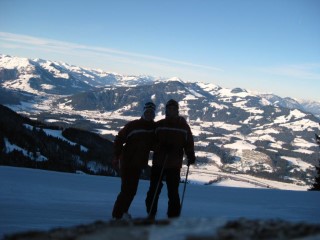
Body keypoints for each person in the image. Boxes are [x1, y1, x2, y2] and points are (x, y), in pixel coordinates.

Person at [145, 99, 196, 219]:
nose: (171, 111)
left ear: (177, 111)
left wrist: (190, 155)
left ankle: (172, 217)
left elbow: (189, 142)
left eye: (174, 109)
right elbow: (151, 142)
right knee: (154, 190)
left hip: (174, 165)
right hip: (159, 163)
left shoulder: (184, 127)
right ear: (166, 110)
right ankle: (151, 213)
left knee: (173, 193)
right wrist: (160, 147)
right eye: (169, 109)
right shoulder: (159, 124)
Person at [112, 102, 156, 220]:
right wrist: (117, 155)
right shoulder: (133, 125)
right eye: (147, 112)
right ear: (143, 112)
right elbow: (119, 138)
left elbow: (154, 145)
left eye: (151, 113)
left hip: (139, 164)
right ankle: (117, 215)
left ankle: (123, 212)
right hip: (127, 161)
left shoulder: (153, 128)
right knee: (126, 190)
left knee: (132, 191)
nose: (149, 115)